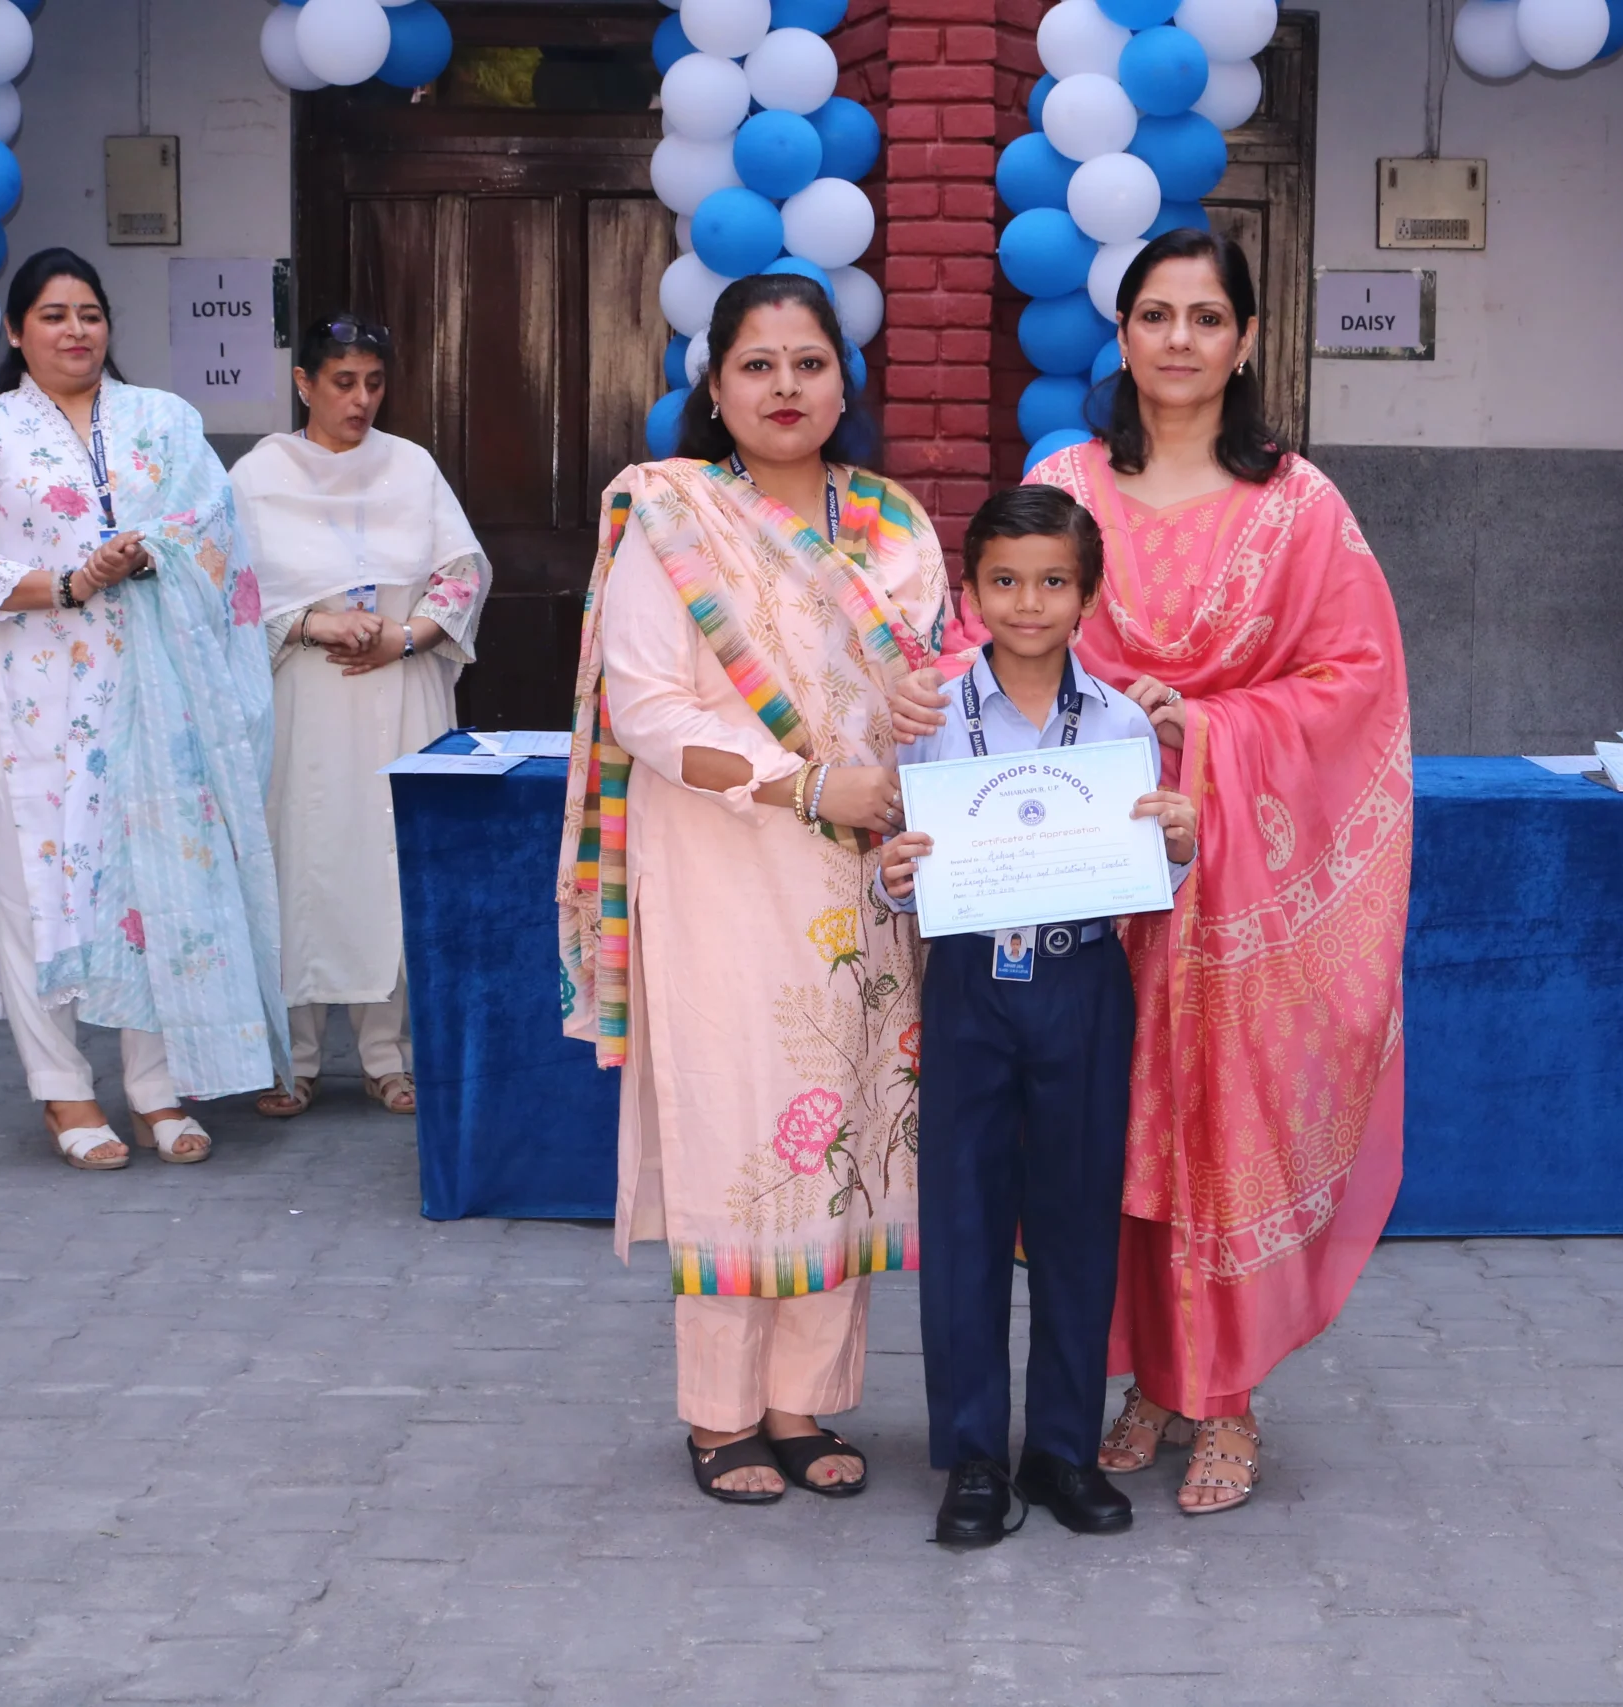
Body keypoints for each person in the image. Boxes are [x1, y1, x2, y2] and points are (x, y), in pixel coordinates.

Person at [896, 228, 1414, 1514]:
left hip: (1229, 879)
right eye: (1155, 316)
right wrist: (924, 701)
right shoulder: (1067, 478)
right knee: (1101, 1153)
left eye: (1206, 317)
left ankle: (1224, 1394)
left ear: (1244, 341)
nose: (1180, 340)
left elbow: (1357, 678)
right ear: (1121, 336)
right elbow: (984, 633)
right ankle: (1139, 1384)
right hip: (1067, 883)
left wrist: (1212, 729)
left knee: (1220, 1122)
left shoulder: (1299, 505)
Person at [553, 273, 949, 1505]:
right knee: (739, 1122)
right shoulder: (671, 515)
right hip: (722, 861)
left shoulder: (893, 527)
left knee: (849, 1122)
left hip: (864, 871)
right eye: (757, 366)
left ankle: (801, 1404)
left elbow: (932, 688)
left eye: (809, 363)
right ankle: (721, 1415)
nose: (786, 387)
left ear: (844, 380)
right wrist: (805, 783)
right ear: (713, 389)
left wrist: (918, 736)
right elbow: (647, 709)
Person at [876, 485, 1199, 1548]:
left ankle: (1061, 1450)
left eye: (1054, 582)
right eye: (1005, 581)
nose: (1029, 603)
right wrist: (892, 876)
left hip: (1081, 984)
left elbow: (1141, 871)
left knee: (1075, 1219)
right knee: (963, 1222)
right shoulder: (930, 713)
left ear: (1088, 595)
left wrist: (1176, 844)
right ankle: (973, 1457)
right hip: (970, 982)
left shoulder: (1118, 722)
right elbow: (899, 862)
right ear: (971, 593)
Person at [0, 247, 286, 1170]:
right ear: (16, 332)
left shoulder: (163, 419)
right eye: (53, 315)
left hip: (157, 686)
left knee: (155, 881)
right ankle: (63, 1089)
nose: (75, 331)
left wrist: (149, 551)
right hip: (41, 697)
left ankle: (156, 1087)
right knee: (37, 886)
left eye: (89, 313)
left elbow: (214, 526)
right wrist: (69, 582)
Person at [233, 314, 490, 1120]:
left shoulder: (409, 466)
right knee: (301, 858)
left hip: (399, 687)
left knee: (389, 860)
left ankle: (388, 1056)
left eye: (374, 383)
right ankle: (294, 1057)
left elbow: (462, 572)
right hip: (302, 693)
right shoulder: (257, 477)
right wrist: (313, 624)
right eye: (343, 382)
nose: (362, 400)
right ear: (304, 383)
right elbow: (228, 594)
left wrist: (407, 637)